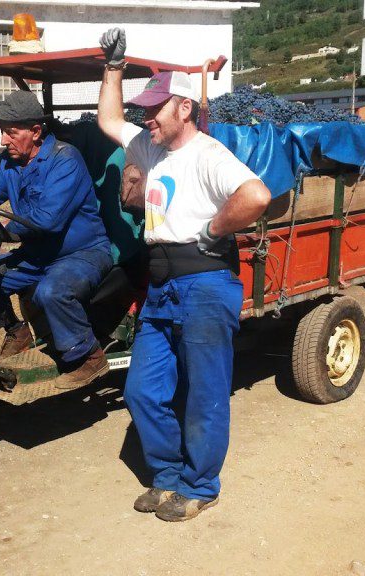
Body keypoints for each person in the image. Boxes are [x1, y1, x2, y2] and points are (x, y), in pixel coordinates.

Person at [96, 28, 272, 522]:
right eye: (145, 109)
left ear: (184, 109)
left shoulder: (208, 155)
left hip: (205, 284)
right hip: (161, 286)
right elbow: (109, 118)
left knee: (204, 391)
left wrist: (214, 227)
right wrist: (113, 66)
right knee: (143, 390)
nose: (144, 117)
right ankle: (168, 476)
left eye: (155, 108)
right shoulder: (151, 148)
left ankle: (200, 485)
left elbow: (256, 197)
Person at [0, 90, 113, 387]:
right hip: (38, 254)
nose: (5, 140)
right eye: (1, 133)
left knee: (51, 291)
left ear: (35, 131)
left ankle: (90, 357)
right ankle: (18, 333)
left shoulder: (65, 159)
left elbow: (48, 219)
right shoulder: (9, 163)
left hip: (82, 253)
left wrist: (10, 229)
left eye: (11, 133)